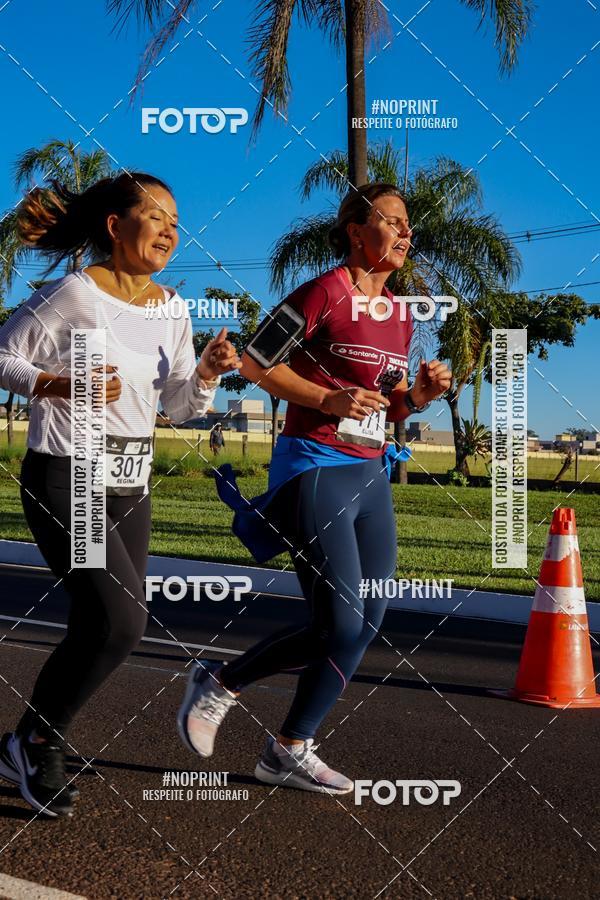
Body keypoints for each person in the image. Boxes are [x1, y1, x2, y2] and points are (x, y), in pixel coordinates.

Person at [178, 183, 452, 794]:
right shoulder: (323, 292)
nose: (406, 233)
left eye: (409, 225)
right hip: (315, 466)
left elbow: (386, 404)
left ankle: (288, 749)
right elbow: (255, 363)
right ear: (357, 231)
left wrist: (418, 397)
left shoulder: (400, 314)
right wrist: (326, 398)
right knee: (342, 622)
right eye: (393, 221)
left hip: (370, 473)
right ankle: (220, 682)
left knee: (367, 619)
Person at [0, 172, 240, 818]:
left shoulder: (174, 310)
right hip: (71, 474)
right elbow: (2, 356)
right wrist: (60, 385)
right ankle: (36, 742)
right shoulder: (76, 293)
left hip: (131, 484)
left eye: (175, 222)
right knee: (122, 620)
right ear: (115, 225)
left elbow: (180, 408)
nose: (169, 230)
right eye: (156, 216)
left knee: (105, 624)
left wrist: (207, 374)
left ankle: (25, 742)